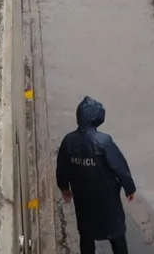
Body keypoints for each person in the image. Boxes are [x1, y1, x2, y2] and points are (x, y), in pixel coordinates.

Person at [57, 97, 137, 254]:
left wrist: (64, 188)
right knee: (116, 234)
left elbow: (62, 168)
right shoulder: (104, 141)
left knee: (86, 235)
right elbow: (120, 168)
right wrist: (129, 188)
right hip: (107, 199)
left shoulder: (68, 141)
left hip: (83, 199)